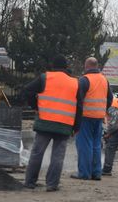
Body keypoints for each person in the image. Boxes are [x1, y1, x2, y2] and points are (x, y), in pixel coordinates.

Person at [23, 55, 84, 192]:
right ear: (66, 67)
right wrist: (76, 126)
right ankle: (52, 184)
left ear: (53, 66)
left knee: (37, 153)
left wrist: (35, 106)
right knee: (58, 155)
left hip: (45, 122)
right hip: (64, 125)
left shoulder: (45, 77)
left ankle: (30, 181)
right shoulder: (75, 82)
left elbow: (27, 90)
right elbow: (80, 107)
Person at [72, 57, 113, 181]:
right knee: (96, 145)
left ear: (87, 66)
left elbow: (78, 100)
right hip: (99, 117)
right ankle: (96, 173)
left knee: (85, 145)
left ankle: (84, 173)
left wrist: (75, 119)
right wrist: (101, 110)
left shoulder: (84, 80)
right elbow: (110, 99)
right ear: (97, 66)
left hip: (86, 117)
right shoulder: (104, 80)